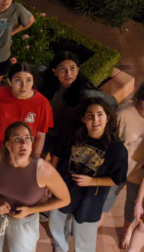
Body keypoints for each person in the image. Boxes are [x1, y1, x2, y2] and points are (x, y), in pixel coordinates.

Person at [0, 62, 54, 220]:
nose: (23, 85)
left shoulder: (42, 104)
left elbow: (40, 136)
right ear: (10, 81)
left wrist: (36, 160)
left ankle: (12, 213)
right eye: (18, 80)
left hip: (22, 155)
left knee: (14, 185)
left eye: (29, 80)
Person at [49, 98, 128, 252]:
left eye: (100, 114)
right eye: (90, 115)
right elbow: (57, 155)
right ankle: (59, 249)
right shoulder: (72, 136)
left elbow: (116, 179)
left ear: (108, 118)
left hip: (89, 200)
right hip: (63, 190)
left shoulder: (117, 149)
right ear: (83, 119)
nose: (95, 119)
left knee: (84, 239)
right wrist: (51, 181)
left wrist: (93, 181)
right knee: (56, 225)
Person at [0, 121, 70, 252]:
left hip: (24, 223)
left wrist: (30, 210)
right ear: (7, 144)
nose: (23, 143)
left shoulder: (43, 170)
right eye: (17, 138)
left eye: (28, 138)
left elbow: (65, 199)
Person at [39, 51, 118, 159]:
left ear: (78, 70)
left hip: (65, 136)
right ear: (54, 71)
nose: (68, 73)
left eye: (72, 68)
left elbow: (113, 102)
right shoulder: (48, 83)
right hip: (45, 132)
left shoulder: (85, 93)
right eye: (63, 69)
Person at [115, 83, 144, 249]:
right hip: (119, 170)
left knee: (132, 204)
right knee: (106, 198)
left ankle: (127, 230)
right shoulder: (124, 113)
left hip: (139, 173)